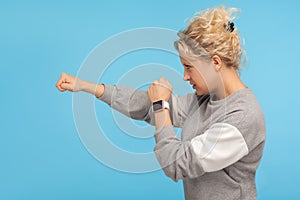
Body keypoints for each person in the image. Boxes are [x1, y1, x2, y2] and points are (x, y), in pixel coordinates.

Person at [56, 5, 266, 200]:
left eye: (189, 67)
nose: (185, 76)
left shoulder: (243, 117)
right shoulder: (206, 100)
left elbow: (177, 163)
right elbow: (149, 106)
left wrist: (160, 106)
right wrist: (87, 86)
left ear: (215, 62)